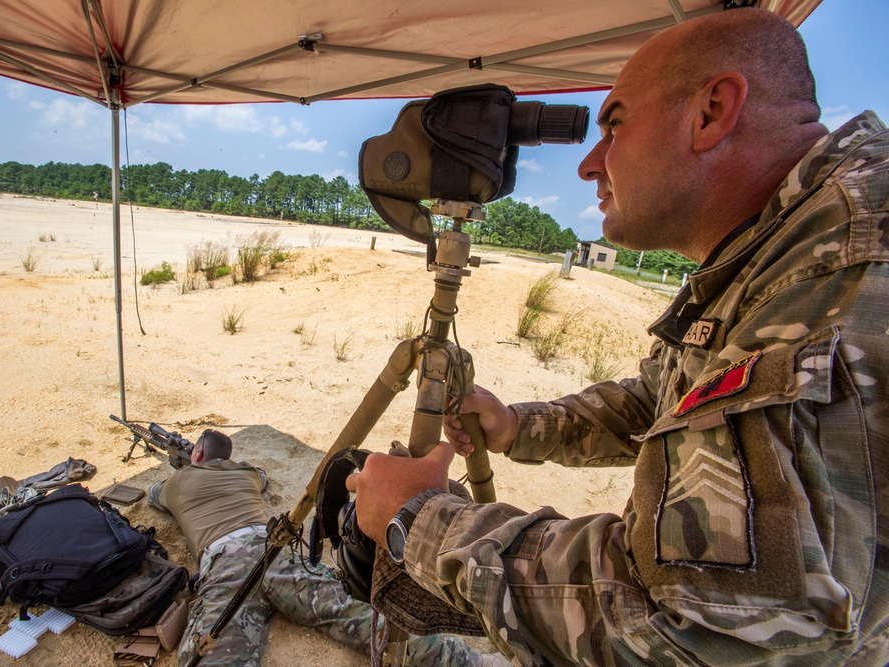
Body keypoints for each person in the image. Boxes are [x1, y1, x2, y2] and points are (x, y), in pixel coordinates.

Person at [345, 7, 888, 667]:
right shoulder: (779, 251)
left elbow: (681, 620)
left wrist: (418, 519)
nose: (590, 164)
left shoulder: (845, 273)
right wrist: (521, 425)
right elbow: (667, 398)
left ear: (713, 111)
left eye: (616, 122)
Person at [147, 428, 507, 666]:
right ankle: (472, 662)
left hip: (228, 560)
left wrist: (182, 468)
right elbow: (263, 477)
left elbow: (154, 496)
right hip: (275, 546)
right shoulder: (246, 474)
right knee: (357, 615)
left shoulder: (178, 481)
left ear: (196, 456)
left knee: (213, 654)